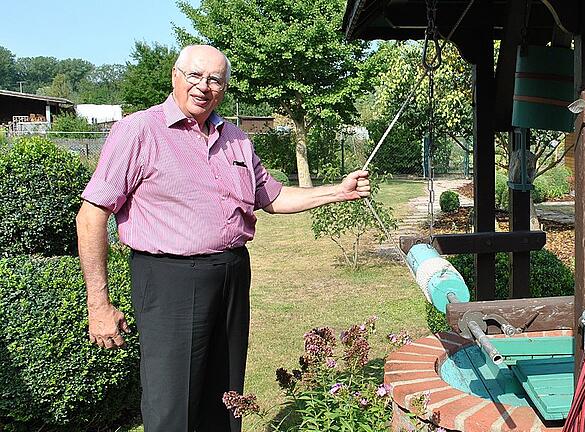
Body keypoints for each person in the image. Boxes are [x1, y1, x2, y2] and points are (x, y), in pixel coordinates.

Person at [76, 44, 370, 432]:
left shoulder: (235, 138)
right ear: (175, 78)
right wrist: (98, 305)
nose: (204, 87)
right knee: (172, 402)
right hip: (170, 280)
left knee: (226, 394)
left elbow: (273, 197)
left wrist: (338, 191)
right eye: (195, 76)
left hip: (231, 273)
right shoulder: (139, 131)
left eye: (215, 79)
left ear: (225, 88)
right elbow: (92, 213)